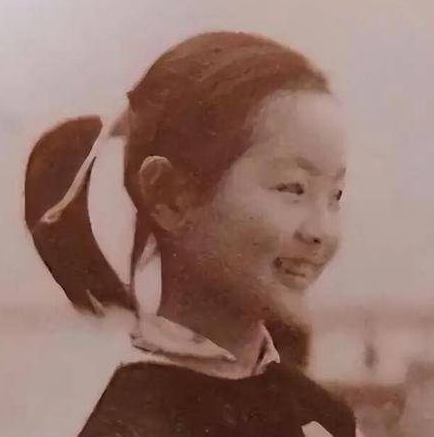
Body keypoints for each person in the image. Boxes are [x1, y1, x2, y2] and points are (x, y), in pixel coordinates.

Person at [25, 31, 359, 436]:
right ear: (171, 198)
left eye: (335, 196)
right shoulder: (131, 424)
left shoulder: (324, 415)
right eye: (293, 188)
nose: (322, 230)